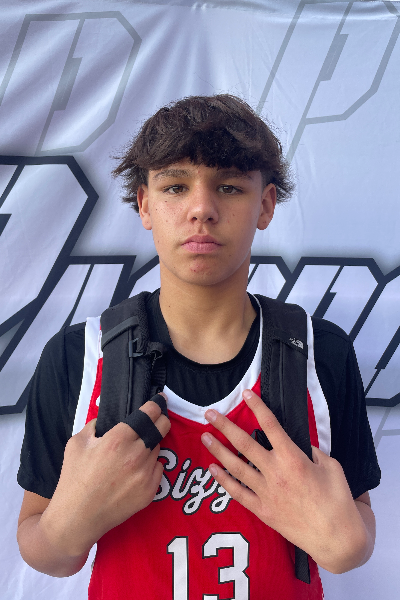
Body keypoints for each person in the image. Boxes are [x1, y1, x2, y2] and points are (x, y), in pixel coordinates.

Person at [17, 95, 380, 599]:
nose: (202, 210)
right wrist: (69, 524)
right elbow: (43, 547)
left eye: (229, 187)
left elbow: (355, 530)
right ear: (145, 204)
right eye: (175, 186)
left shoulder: (321, 352)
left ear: (266, 205)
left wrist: (345, 545)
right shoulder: (78, 355)